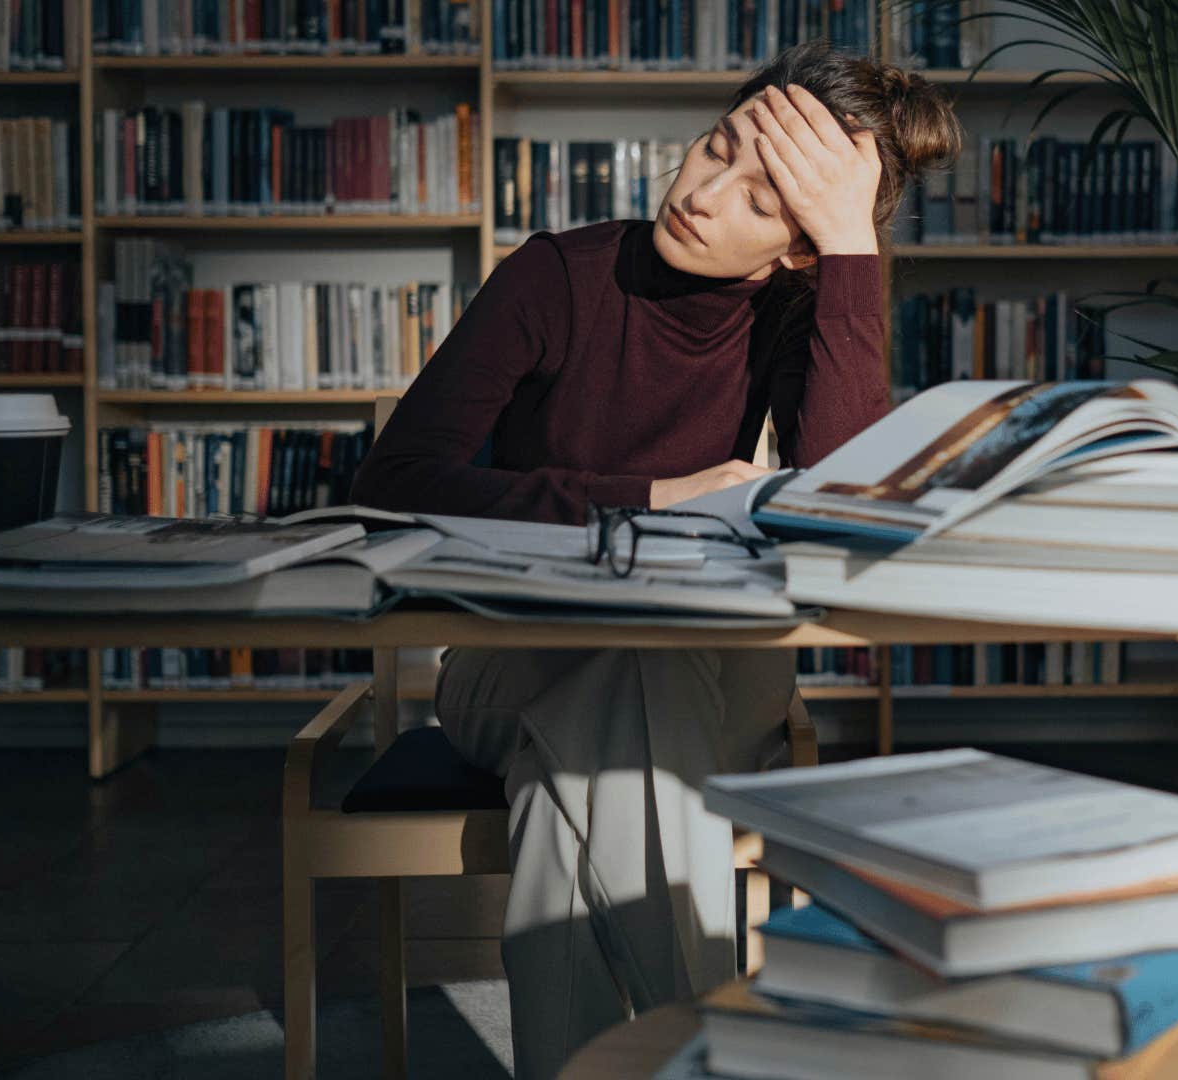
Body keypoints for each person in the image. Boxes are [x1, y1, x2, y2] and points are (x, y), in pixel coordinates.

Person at [347, 41, 961, 1079]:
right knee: (623, 687)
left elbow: (841, 512)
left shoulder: (799, 310)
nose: (706, 194)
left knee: (579, 773)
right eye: (717, 148)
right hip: (513, 664)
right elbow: (394, 484)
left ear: (801, 249)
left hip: (714, 667)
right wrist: (647, 501)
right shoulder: (556, 276)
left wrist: (854, 248)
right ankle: (712, 1049)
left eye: (765, 199)